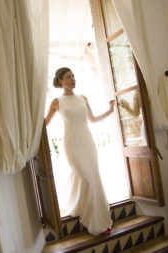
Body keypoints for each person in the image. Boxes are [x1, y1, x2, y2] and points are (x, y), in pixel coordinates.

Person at [45, 67, 114, 235]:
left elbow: (93, 119)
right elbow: (44, 124)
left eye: (73, 76)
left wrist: (110, 111)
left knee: (92, 177)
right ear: (61, 81)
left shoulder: (83, 98)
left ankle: (96, 218)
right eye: (68, 77)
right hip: (72, 143)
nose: (72, 79)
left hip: (88, 141)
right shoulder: (57, 102)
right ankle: (92, 220)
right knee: (87, 177)